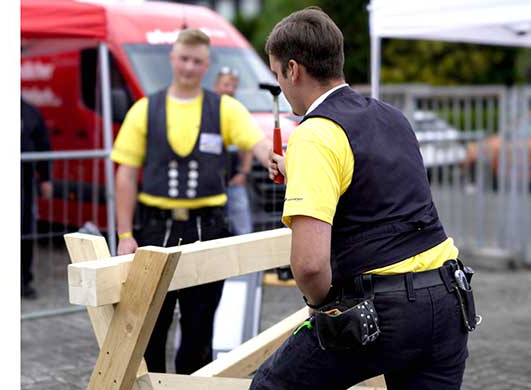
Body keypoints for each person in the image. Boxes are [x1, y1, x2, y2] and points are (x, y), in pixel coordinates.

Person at [253, 7, 473, 389]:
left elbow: (308, 265)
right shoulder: (391, 116)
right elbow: (374, 188)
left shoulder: (314, 133)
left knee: (272, 386)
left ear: (293, 69)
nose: (282, 87)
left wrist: (321, 306)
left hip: (386, 310)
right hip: (448, 297)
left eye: (277, 75)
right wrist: (297, 171)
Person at [111, 29, 271, 374]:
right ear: (172, 59)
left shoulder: (225, 109)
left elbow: (257, 143)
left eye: (197, 61)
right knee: (149, 329)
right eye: (183, 59)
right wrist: (125, 235)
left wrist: (275, 159)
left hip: (209, 227)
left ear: (207, 65)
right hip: (155, 229)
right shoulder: (144, 109)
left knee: (199, 331)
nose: (188, 67)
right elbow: (125, 174)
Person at [214, 66, 254, 236]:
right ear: (216, 85)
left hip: (233, 181)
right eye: (226, 85)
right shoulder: (208, 109)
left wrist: (244, 173)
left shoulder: (239, 111)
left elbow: (247, 146)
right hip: (211, 183)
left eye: (233, 86)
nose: (229, 89)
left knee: (243, 228)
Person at [21, 97, 53, 299]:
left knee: (25, 231)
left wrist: (46, 178)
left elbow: (43, 145)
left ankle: (24, 280)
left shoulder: (29, 111)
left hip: (25, 182)